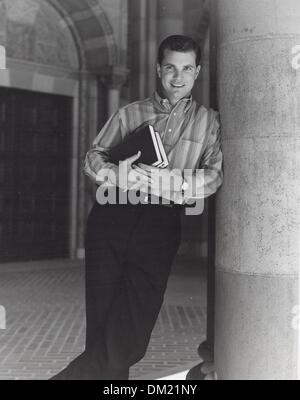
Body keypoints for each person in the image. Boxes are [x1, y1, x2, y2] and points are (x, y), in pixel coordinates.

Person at [50, 35, 223, 380]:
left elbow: (214, 177)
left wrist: (166, 182)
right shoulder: (130, 113)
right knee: (101, 326)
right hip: (112, 216)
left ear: (197, 72)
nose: (178, 77)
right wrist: (118, 175)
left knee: (131, 332)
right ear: (159, 70)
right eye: (171, 68)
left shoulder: (208, 122)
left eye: (187, 69)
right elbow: (92, 159)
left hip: (160, 224)